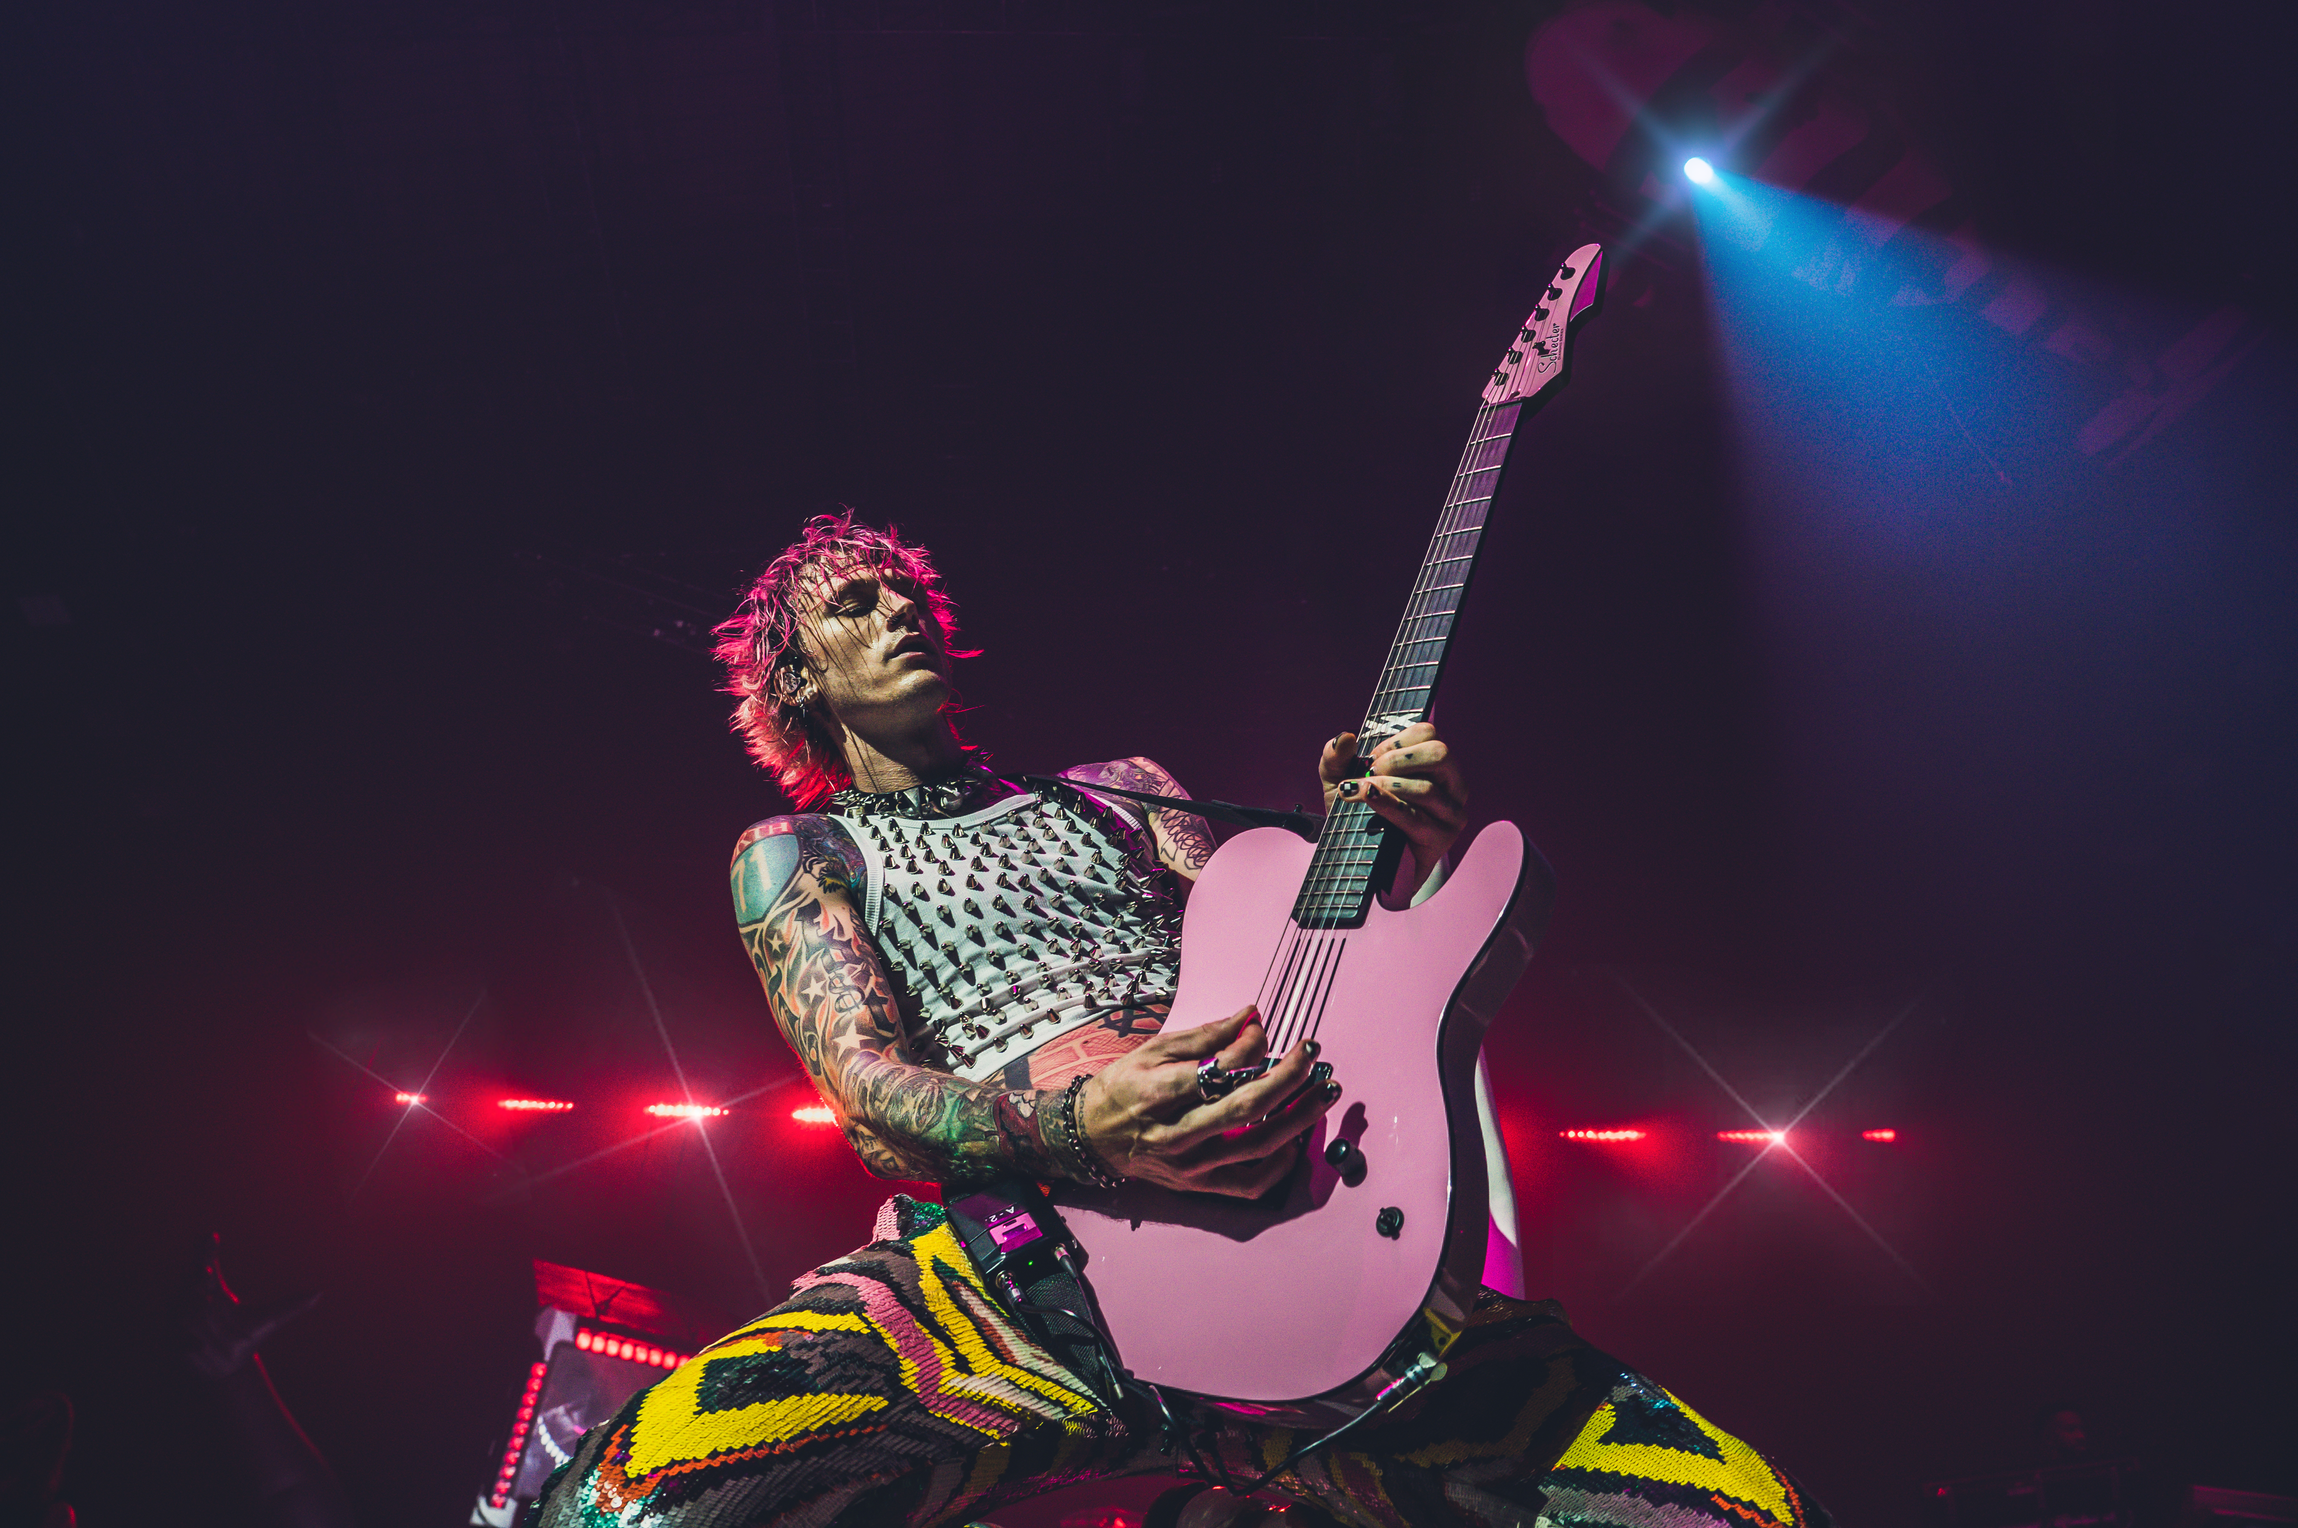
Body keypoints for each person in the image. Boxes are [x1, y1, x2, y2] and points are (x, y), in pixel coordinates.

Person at [530, 514, 1827, 1528]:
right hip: (1008, 1274)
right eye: (853, 604)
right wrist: (1078, 1128)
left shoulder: (1124, 791)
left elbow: (1309, 953)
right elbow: (867, 1089)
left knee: (1733, 1503)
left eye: (909, 591)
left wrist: (1388, 843)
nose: (899, 611)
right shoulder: (799, 847)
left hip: (1296, 1245)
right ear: (797, 673)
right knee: (622, 1496)